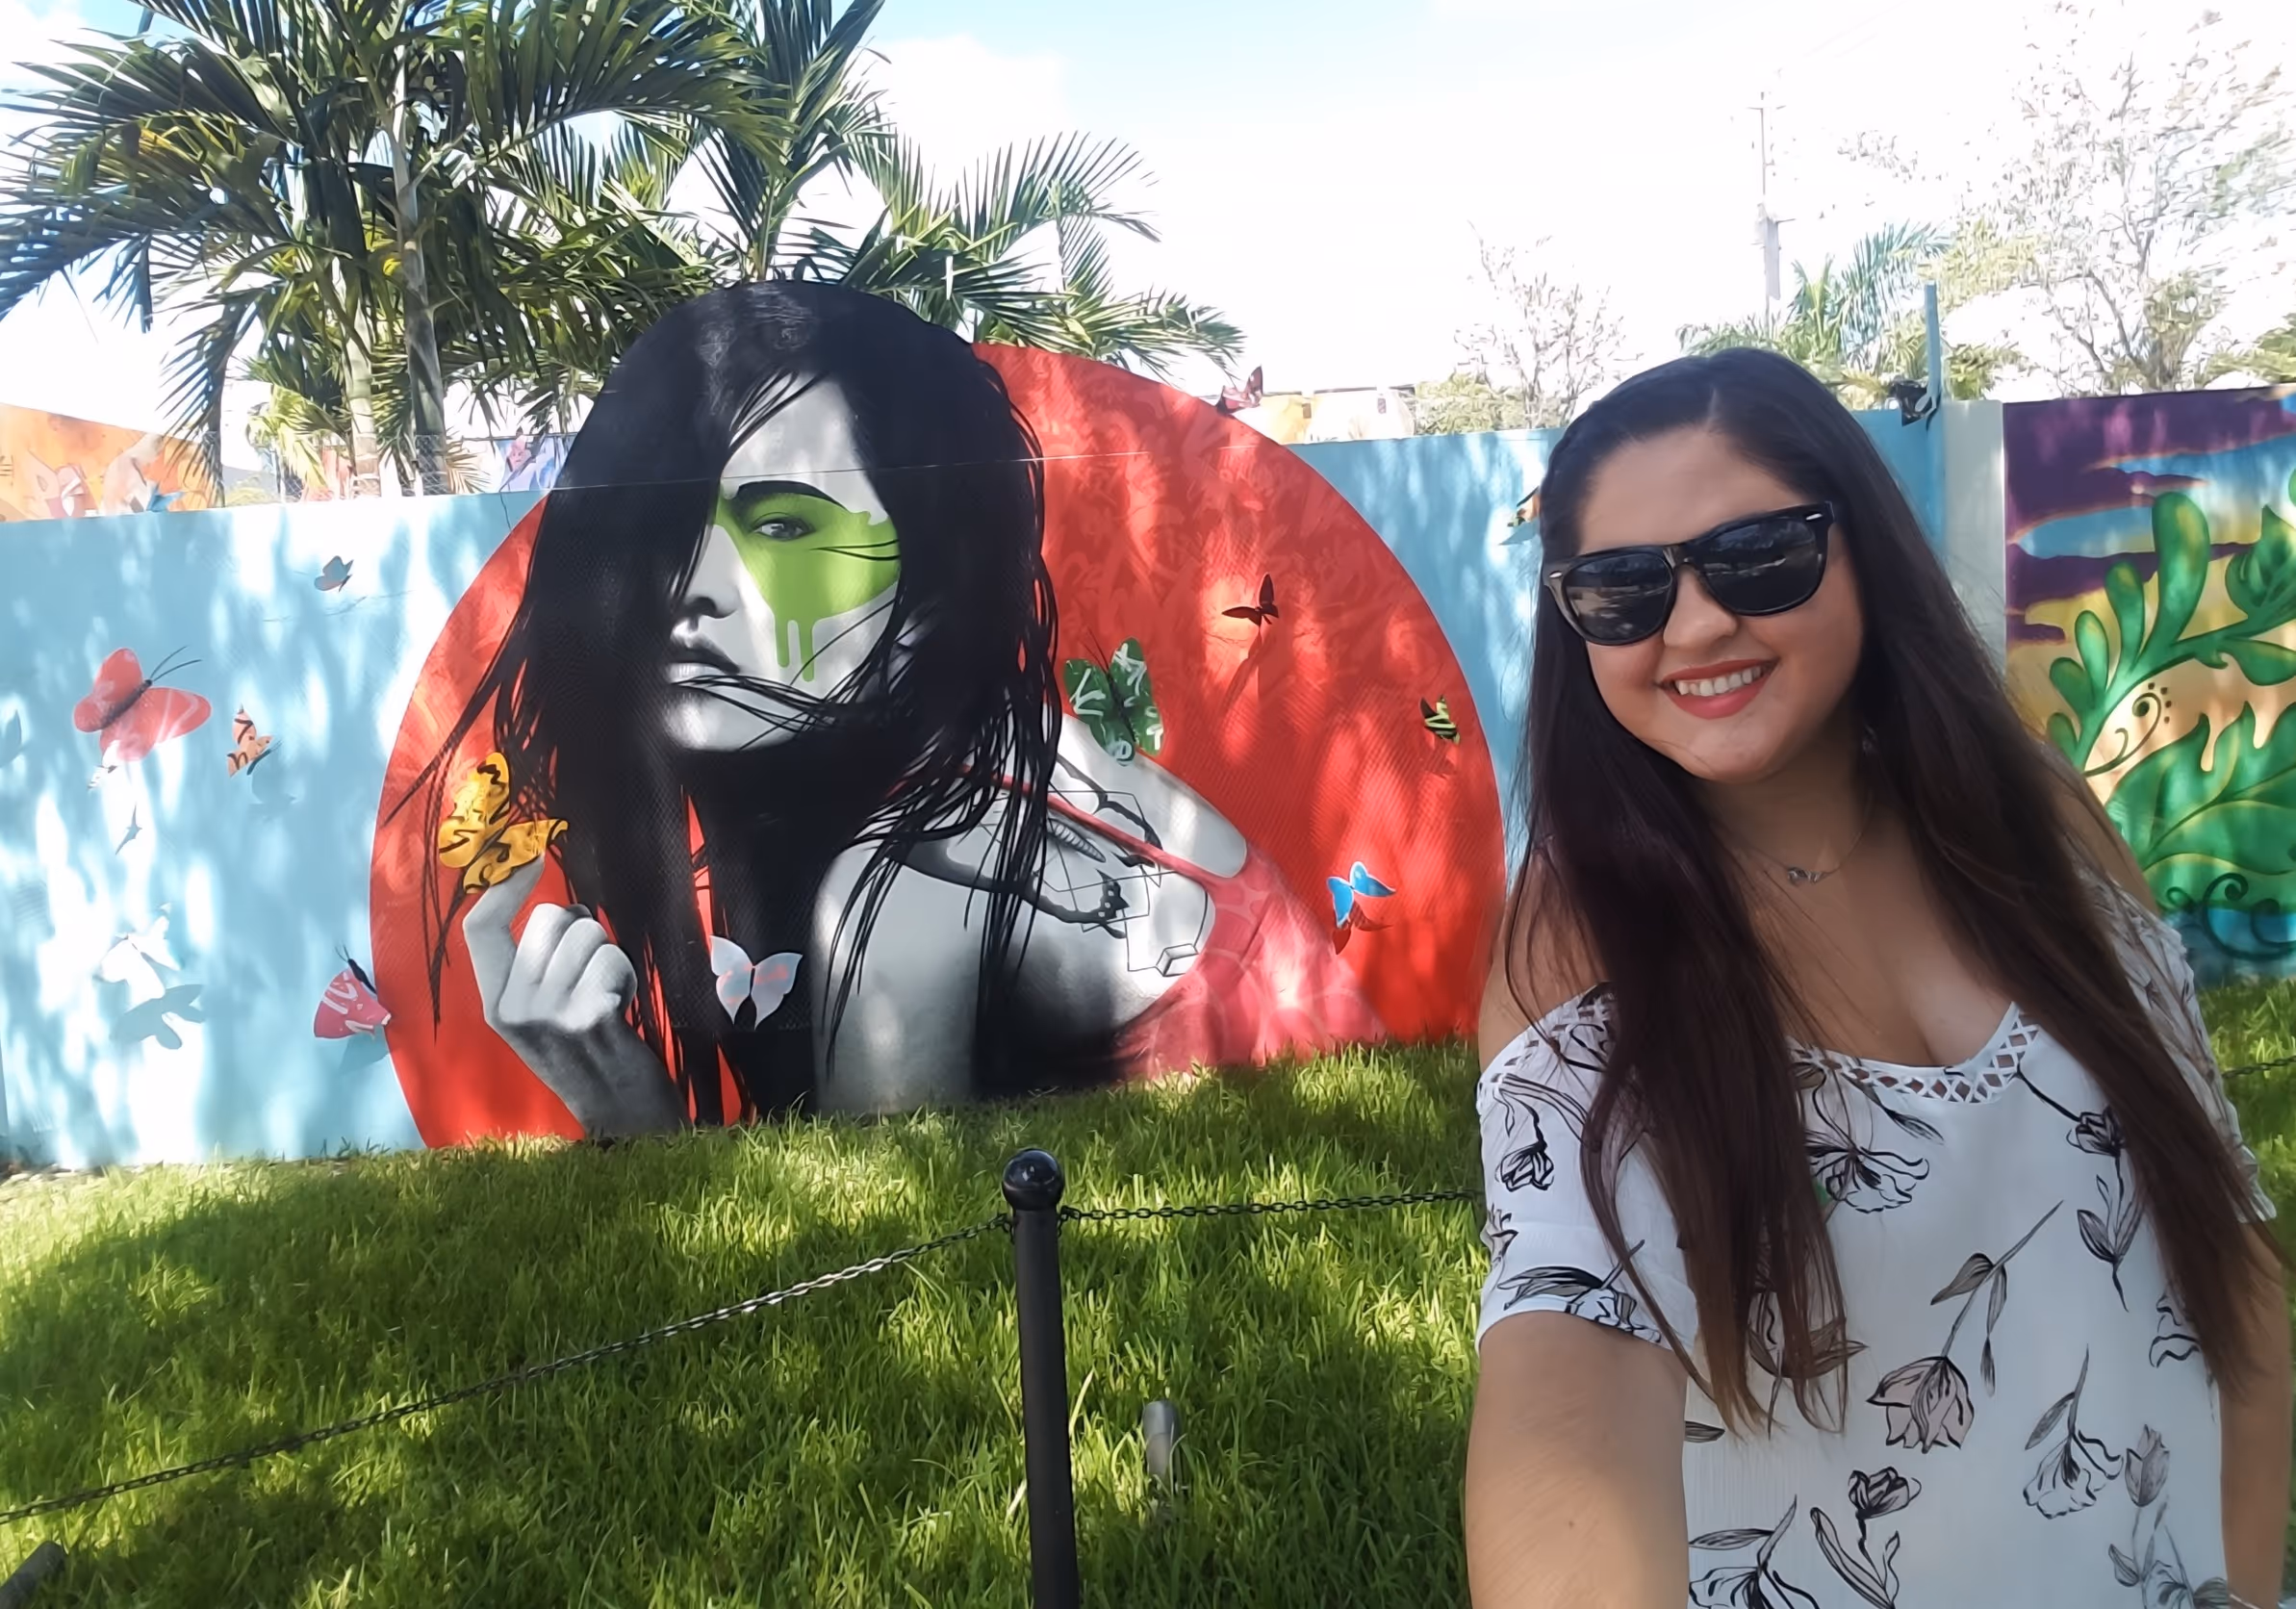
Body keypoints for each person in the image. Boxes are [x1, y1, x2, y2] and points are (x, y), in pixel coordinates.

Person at [1466, 349, 2290, 1608]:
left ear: (1862, 547)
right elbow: (1566, 1388)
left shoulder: (2047, 837)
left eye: (1754, 557)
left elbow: (2226, 1266)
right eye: (1619, 591)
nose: (1690, 626)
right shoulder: (1581, 941)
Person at [400, 281, 1379, 1137]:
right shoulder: (1029, 752)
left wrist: (625, 1105)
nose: (688, 587)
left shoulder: (912, 886)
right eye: (666, 528)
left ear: (935, 596)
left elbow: (863, 1290)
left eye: (783, 523)